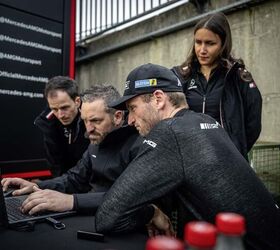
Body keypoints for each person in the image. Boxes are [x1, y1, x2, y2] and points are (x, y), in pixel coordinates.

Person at [94, 63, 280, 250]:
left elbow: (108, 216)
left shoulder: (171, 132)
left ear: (158, 99)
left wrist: (151, 213)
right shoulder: (206, 120)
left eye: (133, 108)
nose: (130, 120)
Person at [1, 85, 143, 215]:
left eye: (95, 121)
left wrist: (71, 201)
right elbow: (74, 179)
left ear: (118, 117)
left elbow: (129, 196)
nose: (89, 129)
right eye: (85, 120)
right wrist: (35, 185)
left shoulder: (138, 144)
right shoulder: (97, 139)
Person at [171, 12, 262, 160]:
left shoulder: (238, 77)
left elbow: (253, 124)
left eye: (210, 43)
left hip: (227, 161)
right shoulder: (181, 76)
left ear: (223, 44)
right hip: (189, 159)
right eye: (198, 42)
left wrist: (234, 150)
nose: (202, 50)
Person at [34, 76, 90, 177]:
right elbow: (55, 165)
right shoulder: (47, 123)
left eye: (64, 107)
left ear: (77, 101)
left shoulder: (92, 116)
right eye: (54, 109)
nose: (60, 115)